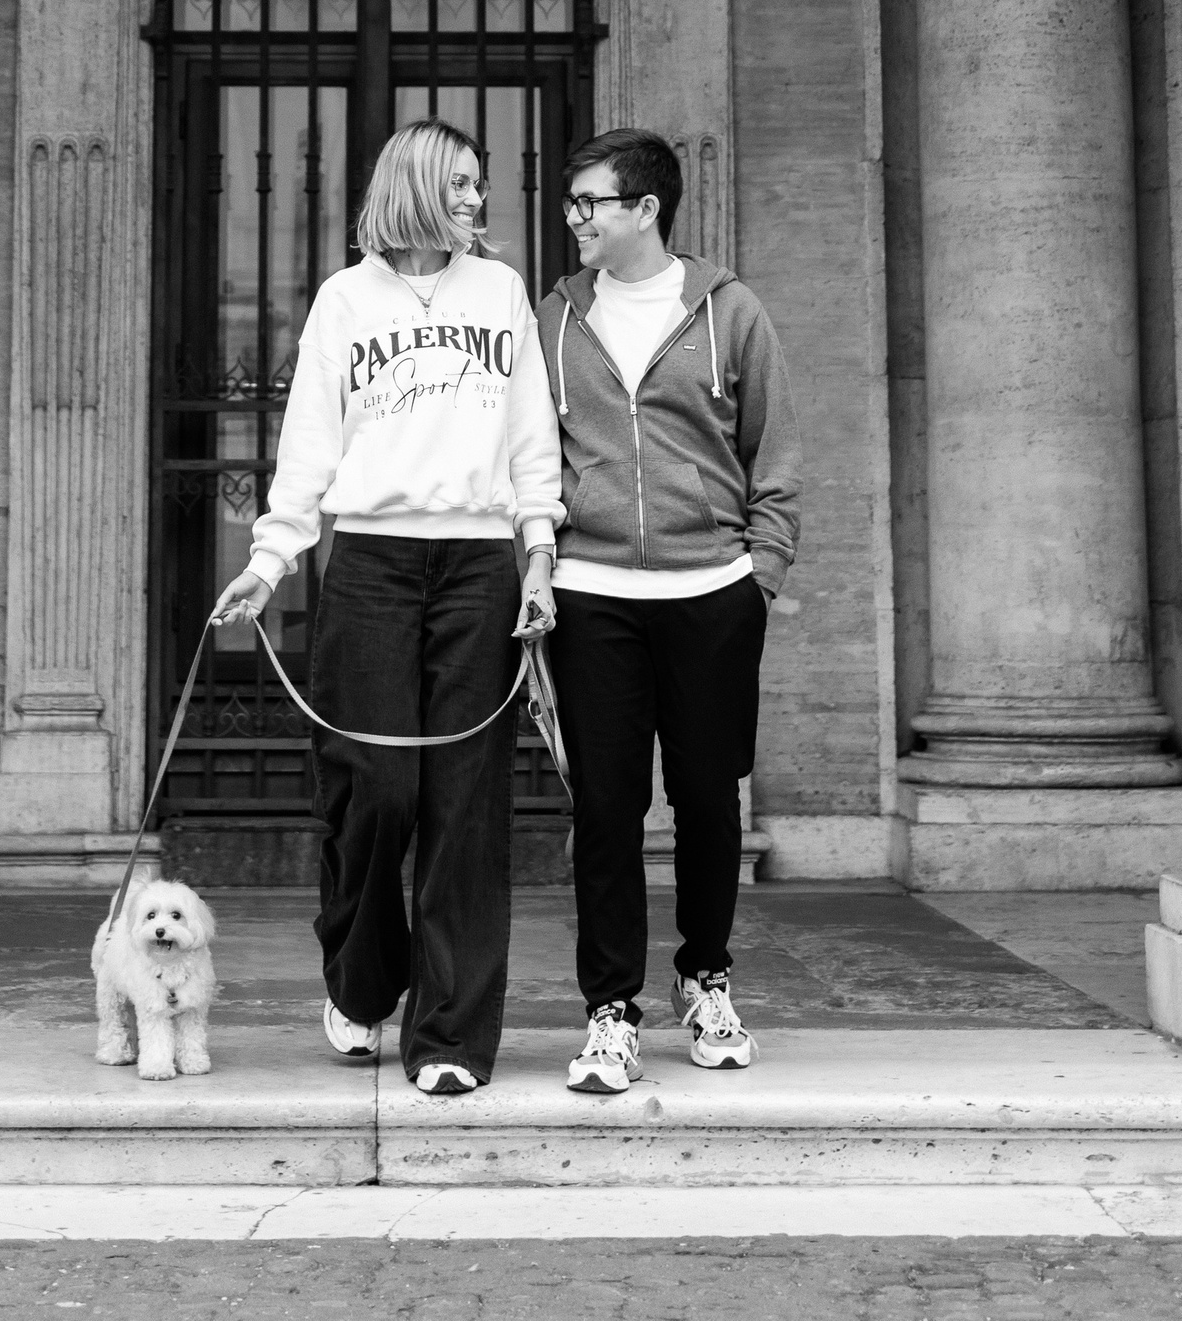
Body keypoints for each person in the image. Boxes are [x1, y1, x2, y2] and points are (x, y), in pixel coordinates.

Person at [213, 117, 562, 1097]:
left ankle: (450, 1038)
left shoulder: (499, 292)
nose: (478, 200)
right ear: (414, 186)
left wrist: (539, 553)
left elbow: (531, 436)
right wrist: (270, 560)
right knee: (375, 786)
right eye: (460, 184)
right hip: (369, 561)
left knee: (467, 803)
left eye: (480, 184)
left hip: (480, 565)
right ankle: (364, 981)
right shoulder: (345, 300)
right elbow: (309, 445)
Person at [536, 127, 801, 1095]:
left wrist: (759, 573)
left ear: (645, 209)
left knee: (708, 805)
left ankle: (706, 978)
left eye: (590, 203)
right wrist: (542, 564)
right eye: (572, 203)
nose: (575, 219)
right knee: (606, 809)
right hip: (593, 595)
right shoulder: (555, 318)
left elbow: (775, 453)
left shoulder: (731, 312)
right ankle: (610, 1009)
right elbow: (535, 453)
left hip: (710, 593)